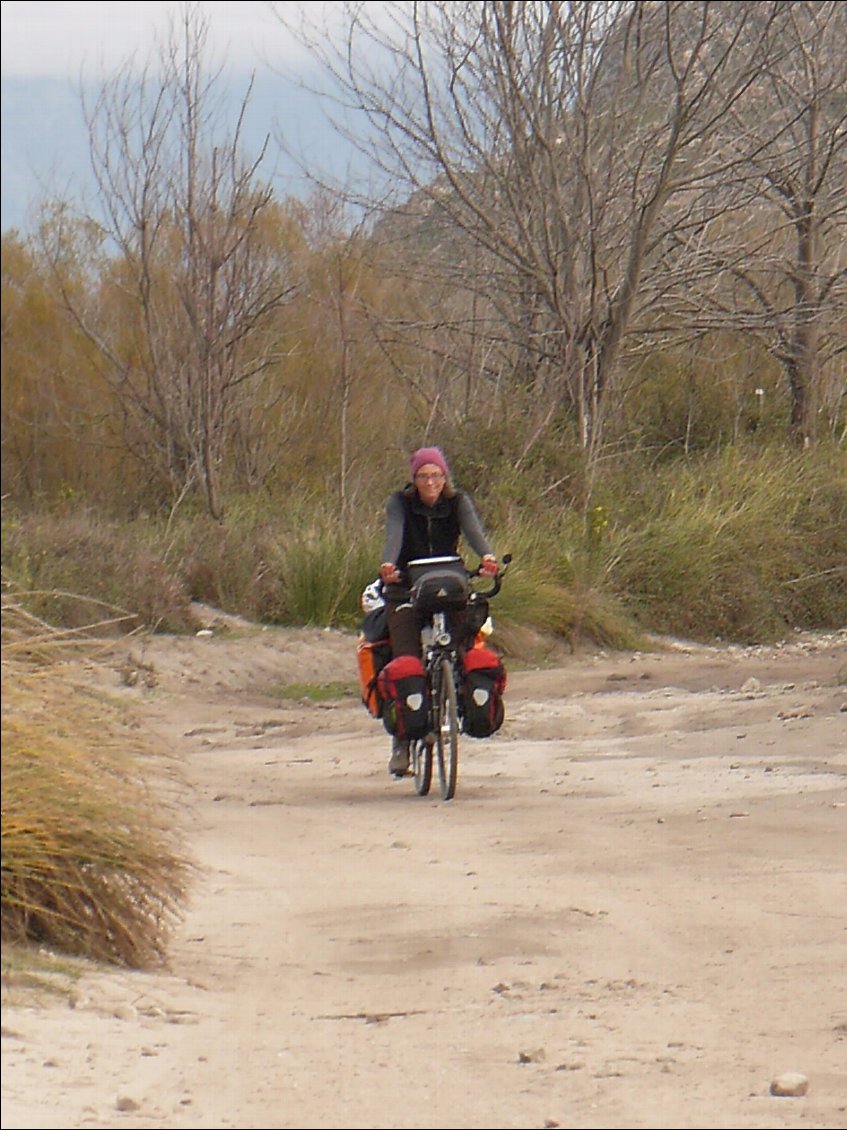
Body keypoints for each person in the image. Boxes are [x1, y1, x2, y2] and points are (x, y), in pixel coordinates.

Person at [379, 446, 498, 776]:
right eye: (422, 476)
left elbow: (474, 534)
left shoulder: (458, 502)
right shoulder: (399, 503)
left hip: (451, 585)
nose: (429, 482)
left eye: (435, 476)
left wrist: (487, 558)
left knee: (465, 644)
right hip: (405, 587)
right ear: (413, 479)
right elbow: (394, 535)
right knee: (404, 657)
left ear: (445, 478)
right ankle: (401, 743)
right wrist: (388, 564)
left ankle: (462, 697)